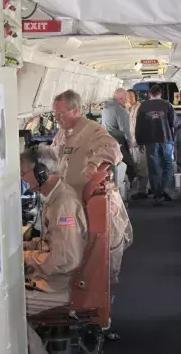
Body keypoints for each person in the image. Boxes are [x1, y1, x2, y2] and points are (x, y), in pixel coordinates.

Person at [20, 145, 87, 354]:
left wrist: (28, 258)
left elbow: (66, 258)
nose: (23, 179)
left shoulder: (63, 204)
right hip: (58, 280)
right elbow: (56, 243)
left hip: (63, 286)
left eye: (24, 173)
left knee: (8, 307)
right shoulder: (57, 198)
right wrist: (31, 247)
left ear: (41, 172)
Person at [51, 89, 133, 283]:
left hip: (88, 201)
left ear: (76, 110)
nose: (57, 118)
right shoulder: (63, 133)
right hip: (69, 202)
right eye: (55, 114)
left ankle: (104, 291)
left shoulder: (91, 130)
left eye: (61, 113)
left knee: (101, 253)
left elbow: (113, 148)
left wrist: (94, 162)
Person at [135, 84, 178, 205]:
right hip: (166, 139)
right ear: (160, 94)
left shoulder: (143, 106)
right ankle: (166, 189)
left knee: (153, 166)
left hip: (150, 140)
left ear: (150, 94)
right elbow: (174, 123)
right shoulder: (167, 105)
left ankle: (157, 193)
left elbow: (139, 126)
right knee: (168, 164)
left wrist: (139, 142)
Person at [101, 88, 136, 183]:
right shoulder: (120, 110)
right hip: (118, 142)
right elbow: (125, 130)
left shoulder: (105, 108)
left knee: (114, 165)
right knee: (131, 166)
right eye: (126, 97)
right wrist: (130, 143)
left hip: (106, 142)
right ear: (122, 97)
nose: (127, 99)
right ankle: (128, 189)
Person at [127, 89, 150, 200]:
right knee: (136, 166)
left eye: (131, 97)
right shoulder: (127, 109)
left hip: (139, 141)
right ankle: (143, 188)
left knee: (142, 166)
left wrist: (141, 140)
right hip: (131, 142)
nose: (129, 99)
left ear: (136, 97)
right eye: (128, 97)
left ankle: (143, 191)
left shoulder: (140, 108)